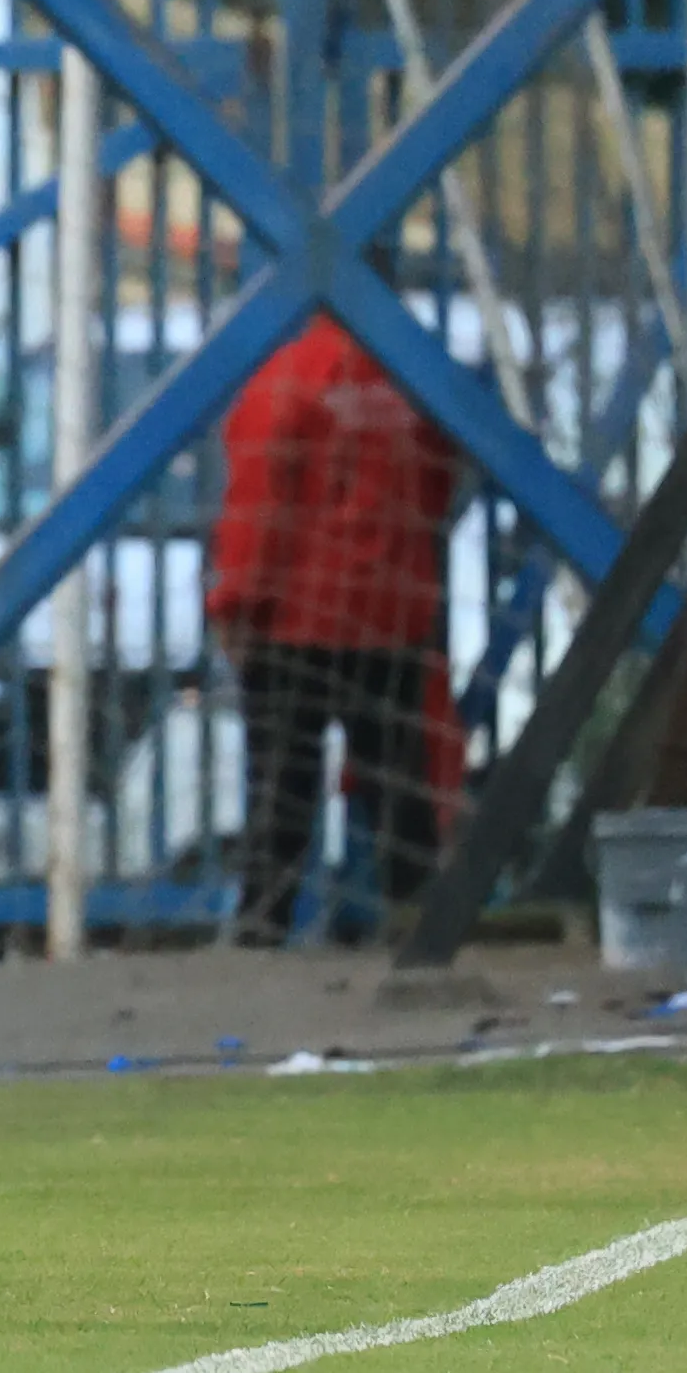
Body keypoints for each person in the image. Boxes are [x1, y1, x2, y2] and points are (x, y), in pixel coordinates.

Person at [206, 296, 459, 948]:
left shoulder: (288, 376)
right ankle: (420, 922)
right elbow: (438, 486)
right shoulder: (411, 385)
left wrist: (236, 603)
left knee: (281, 786)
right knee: (397, 786)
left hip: (296, 616)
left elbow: (259, 501)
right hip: (388, 616)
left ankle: (263, 927)